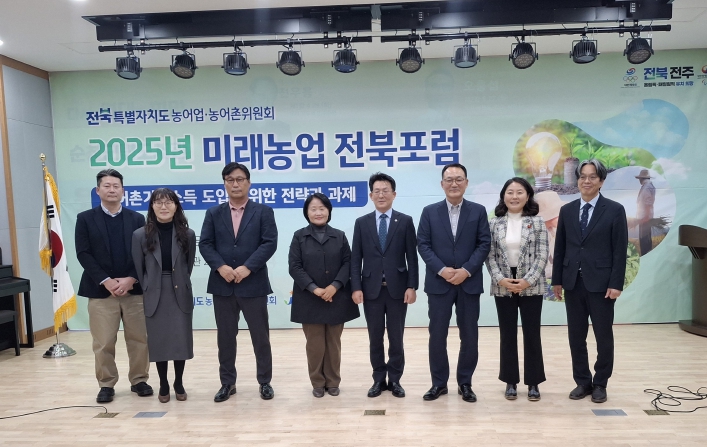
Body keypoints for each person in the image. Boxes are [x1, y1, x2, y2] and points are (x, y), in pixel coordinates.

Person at [199, 162, 278, 402]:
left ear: (248, 183)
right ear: (224, 183)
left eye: (240, 179)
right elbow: (205, 244)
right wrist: (221, 267)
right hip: (223, 285)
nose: (235, 184)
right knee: (225, 338)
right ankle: (227, 383)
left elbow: (269, 243)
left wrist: (247, 267)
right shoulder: (213, 213)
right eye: (230, 180)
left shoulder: (263, 211)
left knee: (260, 337)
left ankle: (264, 381)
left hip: (253, 284)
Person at [552, 159, 628, 404]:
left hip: (602, 284)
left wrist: (616, 283)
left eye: (592, 177)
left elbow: (619, 250)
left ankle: (601, 383)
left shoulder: (614, 210)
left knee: (603, 336)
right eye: (582, 176)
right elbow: (560, 247)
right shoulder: (567, 210)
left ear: (601, 181)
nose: (586, 181)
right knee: (576, 336)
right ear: (577, 180)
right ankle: (582, 381)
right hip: (573, 282)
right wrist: (557, 280)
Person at [75, 169, 152, 403]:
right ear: (98, 190)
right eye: (106, 186)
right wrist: (106, 280)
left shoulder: (137, 219)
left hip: (133, 291)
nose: (112, 190)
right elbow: (83, 253)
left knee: (139, 339)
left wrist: (131, 279)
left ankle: (139, 380)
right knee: (104, 342)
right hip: (100, 291)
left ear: (123, 191)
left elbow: (145, 253)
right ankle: (106, 384)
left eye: (116, 186)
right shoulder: (85, 218)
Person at [417, 163, 491, 403]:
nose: (454, 183)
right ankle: (438, 384)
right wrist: (442, 269)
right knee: (437, 335)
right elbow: (423, 244)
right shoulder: (429, 212)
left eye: (459, 179)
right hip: (439, 284)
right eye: (449, 179)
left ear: (466, 183)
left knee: (469, 335)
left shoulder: (478, 211)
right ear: (442, 184)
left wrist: (466, 270)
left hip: (468, 283)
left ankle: (465, 383)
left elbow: (484, 244)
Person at [350, 173, 419, 398]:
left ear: (394, 194)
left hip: (398, 290)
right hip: (371, 290)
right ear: (371, 195)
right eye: (377, 191)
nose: (381, 195)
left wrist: (412, 286)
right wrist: (356, 287)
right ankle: (378, 379)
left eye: (385, 191)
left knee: (396, 337)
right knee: (375, 337)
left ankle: (395, 379)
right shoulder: (362, 223)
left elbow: (412, 257)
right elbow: (355, 258)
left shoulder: (405, 221)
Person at [288, 193, 360, 398]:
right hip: (309, 299)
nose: (318, 212)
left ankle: (333, 381)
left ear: (329, 211)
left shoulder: (339, 236)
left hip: (336, 297)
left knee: (333, 343)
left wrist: (334, 286)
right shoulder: (299, 236)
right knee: (315, 344)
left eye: (322, 208)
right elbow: (294, 266)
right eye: (313, 209)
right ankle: (318, 382)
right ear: (307, 212)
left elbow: (348, 263)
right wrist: (314, 288)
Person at [485, 178, 549, 401]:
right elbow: (489, 255)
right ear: (503, 196)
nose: (514, 197)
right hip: (503, 284)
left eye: (519, 192)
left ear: (528, 195)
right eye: (510, 192)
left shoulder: (537, 222)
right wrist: (500, 279)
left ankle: (533, 382)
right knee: (507, 334)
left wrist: (527, 280)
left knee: (532, 334)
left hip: (531, 284)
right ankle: (510, 381)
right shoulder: (494, 223)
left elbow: (542, 255)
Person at [132, 188, 196, 403]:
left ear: (176, 206)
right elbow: (139, 269)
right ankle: (163, 383)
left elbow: (188, 265)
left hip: (179, 290)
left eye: (169, 202)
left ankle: (178, 382)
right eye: (158, 202)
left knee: (180, 339)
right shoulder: (140, 235)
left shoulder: (187, 234)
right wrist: (149, 285)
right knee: (159, 340)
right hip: (154, 292)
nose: (163, 207)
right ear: (152, 207)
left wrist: (180, 281)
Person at [635, 169, 656, 256]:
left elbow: (648, 203)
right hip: (645, 218)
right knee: (645, 241)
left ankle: (646, 257)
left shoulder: (647, 187)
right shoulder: (648, 186)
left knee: (644, 242)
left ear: (641, 178)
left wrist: (646, 217)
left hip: (645, 218)